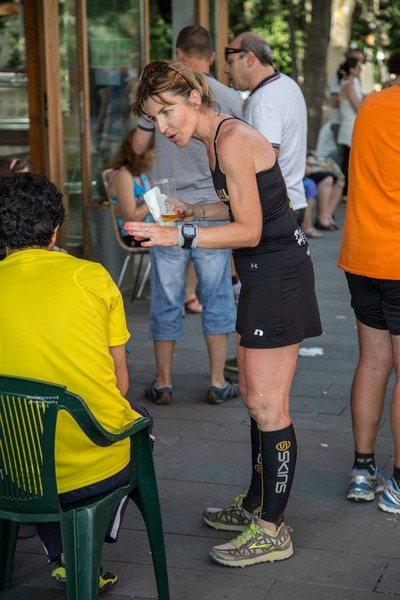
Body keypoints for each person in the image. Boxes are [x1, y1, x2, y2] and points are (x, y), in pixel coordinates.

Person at [126, 59, 322, 567]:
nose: (164, 127)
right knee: (257, 402)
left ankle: (271, 529)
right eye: (155, 118)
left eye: (168, 112)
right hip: (264, 277)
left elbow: (251, 230)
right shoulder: (216, 139)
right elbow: (238, 207)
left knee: (267, 405)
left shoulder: (232, 139)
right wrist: (194, 212)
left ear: (194, 97)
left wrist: (178, 233)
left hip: (277, 277)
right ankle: (257, 505)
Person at [0, 172, 148, 591]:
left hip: (12, 471)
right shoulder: (93, 278)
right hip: (92, 465)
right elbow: (119, 384)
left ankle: (57, 546)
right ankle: (79, 545)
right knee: (140, 424)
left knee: (29, 436)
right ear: (56, 230)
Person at [132, 25, 242, 405]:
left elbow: (138, 145)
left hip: (168, 208)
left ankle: (163, 382)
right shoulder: (229, 97)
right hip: (215, 204)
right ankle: (216, 381)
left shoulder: (158, 98)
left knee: (166, 295)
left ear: (179, 52)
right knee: (216, 294)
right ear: (211, 56)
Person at [222, 32, 309, 374]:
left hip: (273, 208)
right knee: (270, 292)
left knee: (262, 292)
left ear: (249, 58)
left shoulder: (264, 100)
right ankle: (263, 356)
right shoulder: (286, 85)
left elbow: (265, 160)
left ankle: (261, 360)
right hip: (290, 201)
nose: (228, 70)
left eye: (230, 61)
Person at [337, 48, 400, 511]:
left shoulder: (373, 104)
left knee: (373, 362)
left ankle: (363, 470)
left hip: (362, 255)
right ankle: (398, 483)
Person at [105, 127, 155, 246]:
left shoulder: (141, 175)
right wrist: (154, 199)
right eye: (153, 152)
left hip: (147, 230)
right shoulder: (124, 176)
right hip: (133, 234)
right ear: (141, 153)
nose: (155, 157)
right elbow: (131, 218)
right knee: (179, 243)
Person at [337, 56, 363, 198]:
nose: (361, 69)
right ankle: (346, 192)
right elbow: (358, 107)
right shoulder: (349, 86)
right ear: (352, 69)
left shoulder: (349, 84)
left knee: (348, 160)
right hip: (349, 126)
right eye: (358, 67)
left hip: (349, 125)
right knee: (348, 161)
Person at [329, 45, 364, 145]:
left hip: (349, 122)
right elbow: (335, 101)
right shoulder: (341, 80)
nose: (361, 67)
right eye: (358, 61)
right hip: (341, 121)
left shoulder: (355, 81)